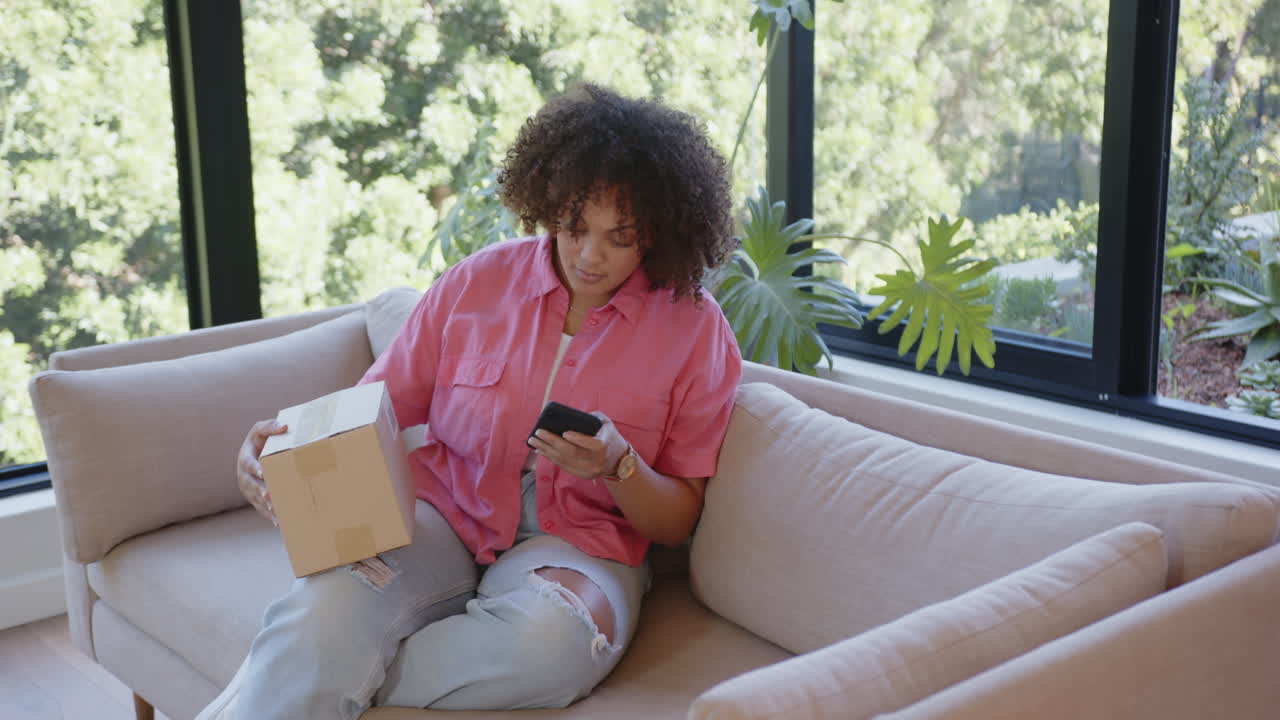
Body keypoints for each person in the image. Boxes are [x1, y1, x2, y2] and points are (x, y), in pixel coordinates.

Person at [196, 82, 743, 720]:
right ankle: (306, 668)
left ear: (658, 231)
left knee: (552, 644)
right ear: (547, 201)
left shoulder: (696, 332)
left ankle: (307, 678)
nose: (591, 255)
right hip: (444, 512)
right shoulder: (477, 283)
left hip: (583, 547)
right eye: (574, 226)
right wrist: (275, 449)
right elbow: (373, 410)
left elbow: (677, 522)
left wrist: (619, 465)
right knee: (324, 608)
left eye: (620, 237)